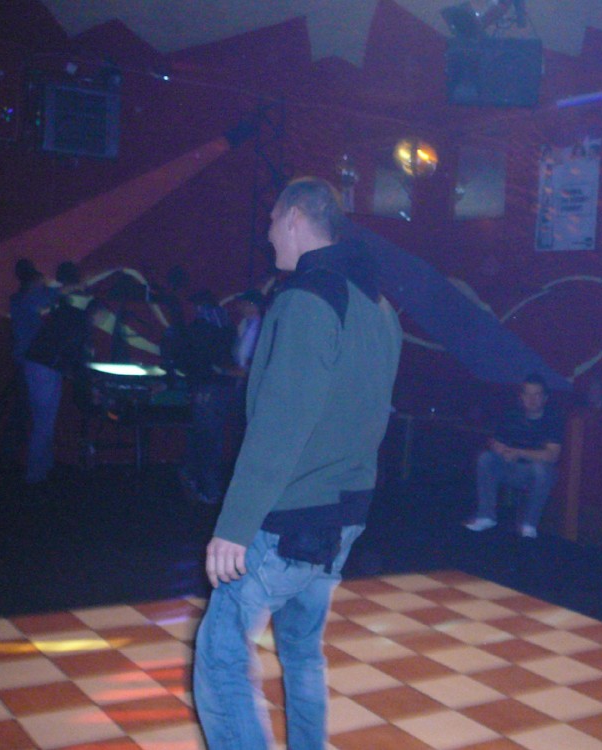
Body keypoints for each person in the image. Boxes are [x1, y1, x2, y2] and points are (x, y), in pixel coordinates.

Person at [193, 177, 402, 750]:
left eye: (271, 221)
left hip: (290, 517)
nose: (267, 235)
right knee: (302, 653)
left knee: (220, 656)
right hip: (345, 515)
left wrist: (234, 525)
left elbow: (280, 423)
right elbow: (371, 416)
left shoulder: (306, 299)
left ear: (293, 218)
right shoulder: (380, 307)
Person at [463, 374, 563, 539]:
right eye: (527, 394)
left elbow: (552, 455)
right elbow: (495, 441)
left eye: (536, 395)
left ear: (545, 398)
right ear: (521, 397)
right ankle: (486, 516)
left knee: (541, 470)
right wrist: (502, 450)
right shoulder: (512, 415)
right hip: (512, 468)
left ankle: (529, 525)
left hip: (538, 474)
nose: (531, 399)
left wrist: (519, 452)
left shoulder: (553, 419)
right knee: (486, 458)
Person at [22, 261, 90, 485]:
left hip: (40, 363)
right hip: (45, 365)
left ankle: (43, 469)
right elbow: (72, 348)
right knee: (44, 423)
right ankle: (35, 475)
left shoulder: (61, 306)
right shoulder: (75, 312)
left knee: (43, 421)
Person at [176, 289, 236, 504]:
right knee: (211, 438)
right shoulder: (227, 325)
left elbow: (191, 359)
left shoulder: (199, 328)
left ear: (198, 306)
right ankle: (205, 486)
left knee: (206, 439)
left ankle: (208, 489)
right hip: (222, 386)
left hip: (205, 387)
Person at [0, 258, 58, 469]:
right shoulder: (31, 299)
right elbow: (59, 292)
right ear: (33, 280)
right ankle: (34, 470)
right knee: (39, 418)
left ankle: (23, 463)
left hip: (24, 361)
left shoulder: (18, 299)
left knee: (26, 413)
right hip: (34, 363)